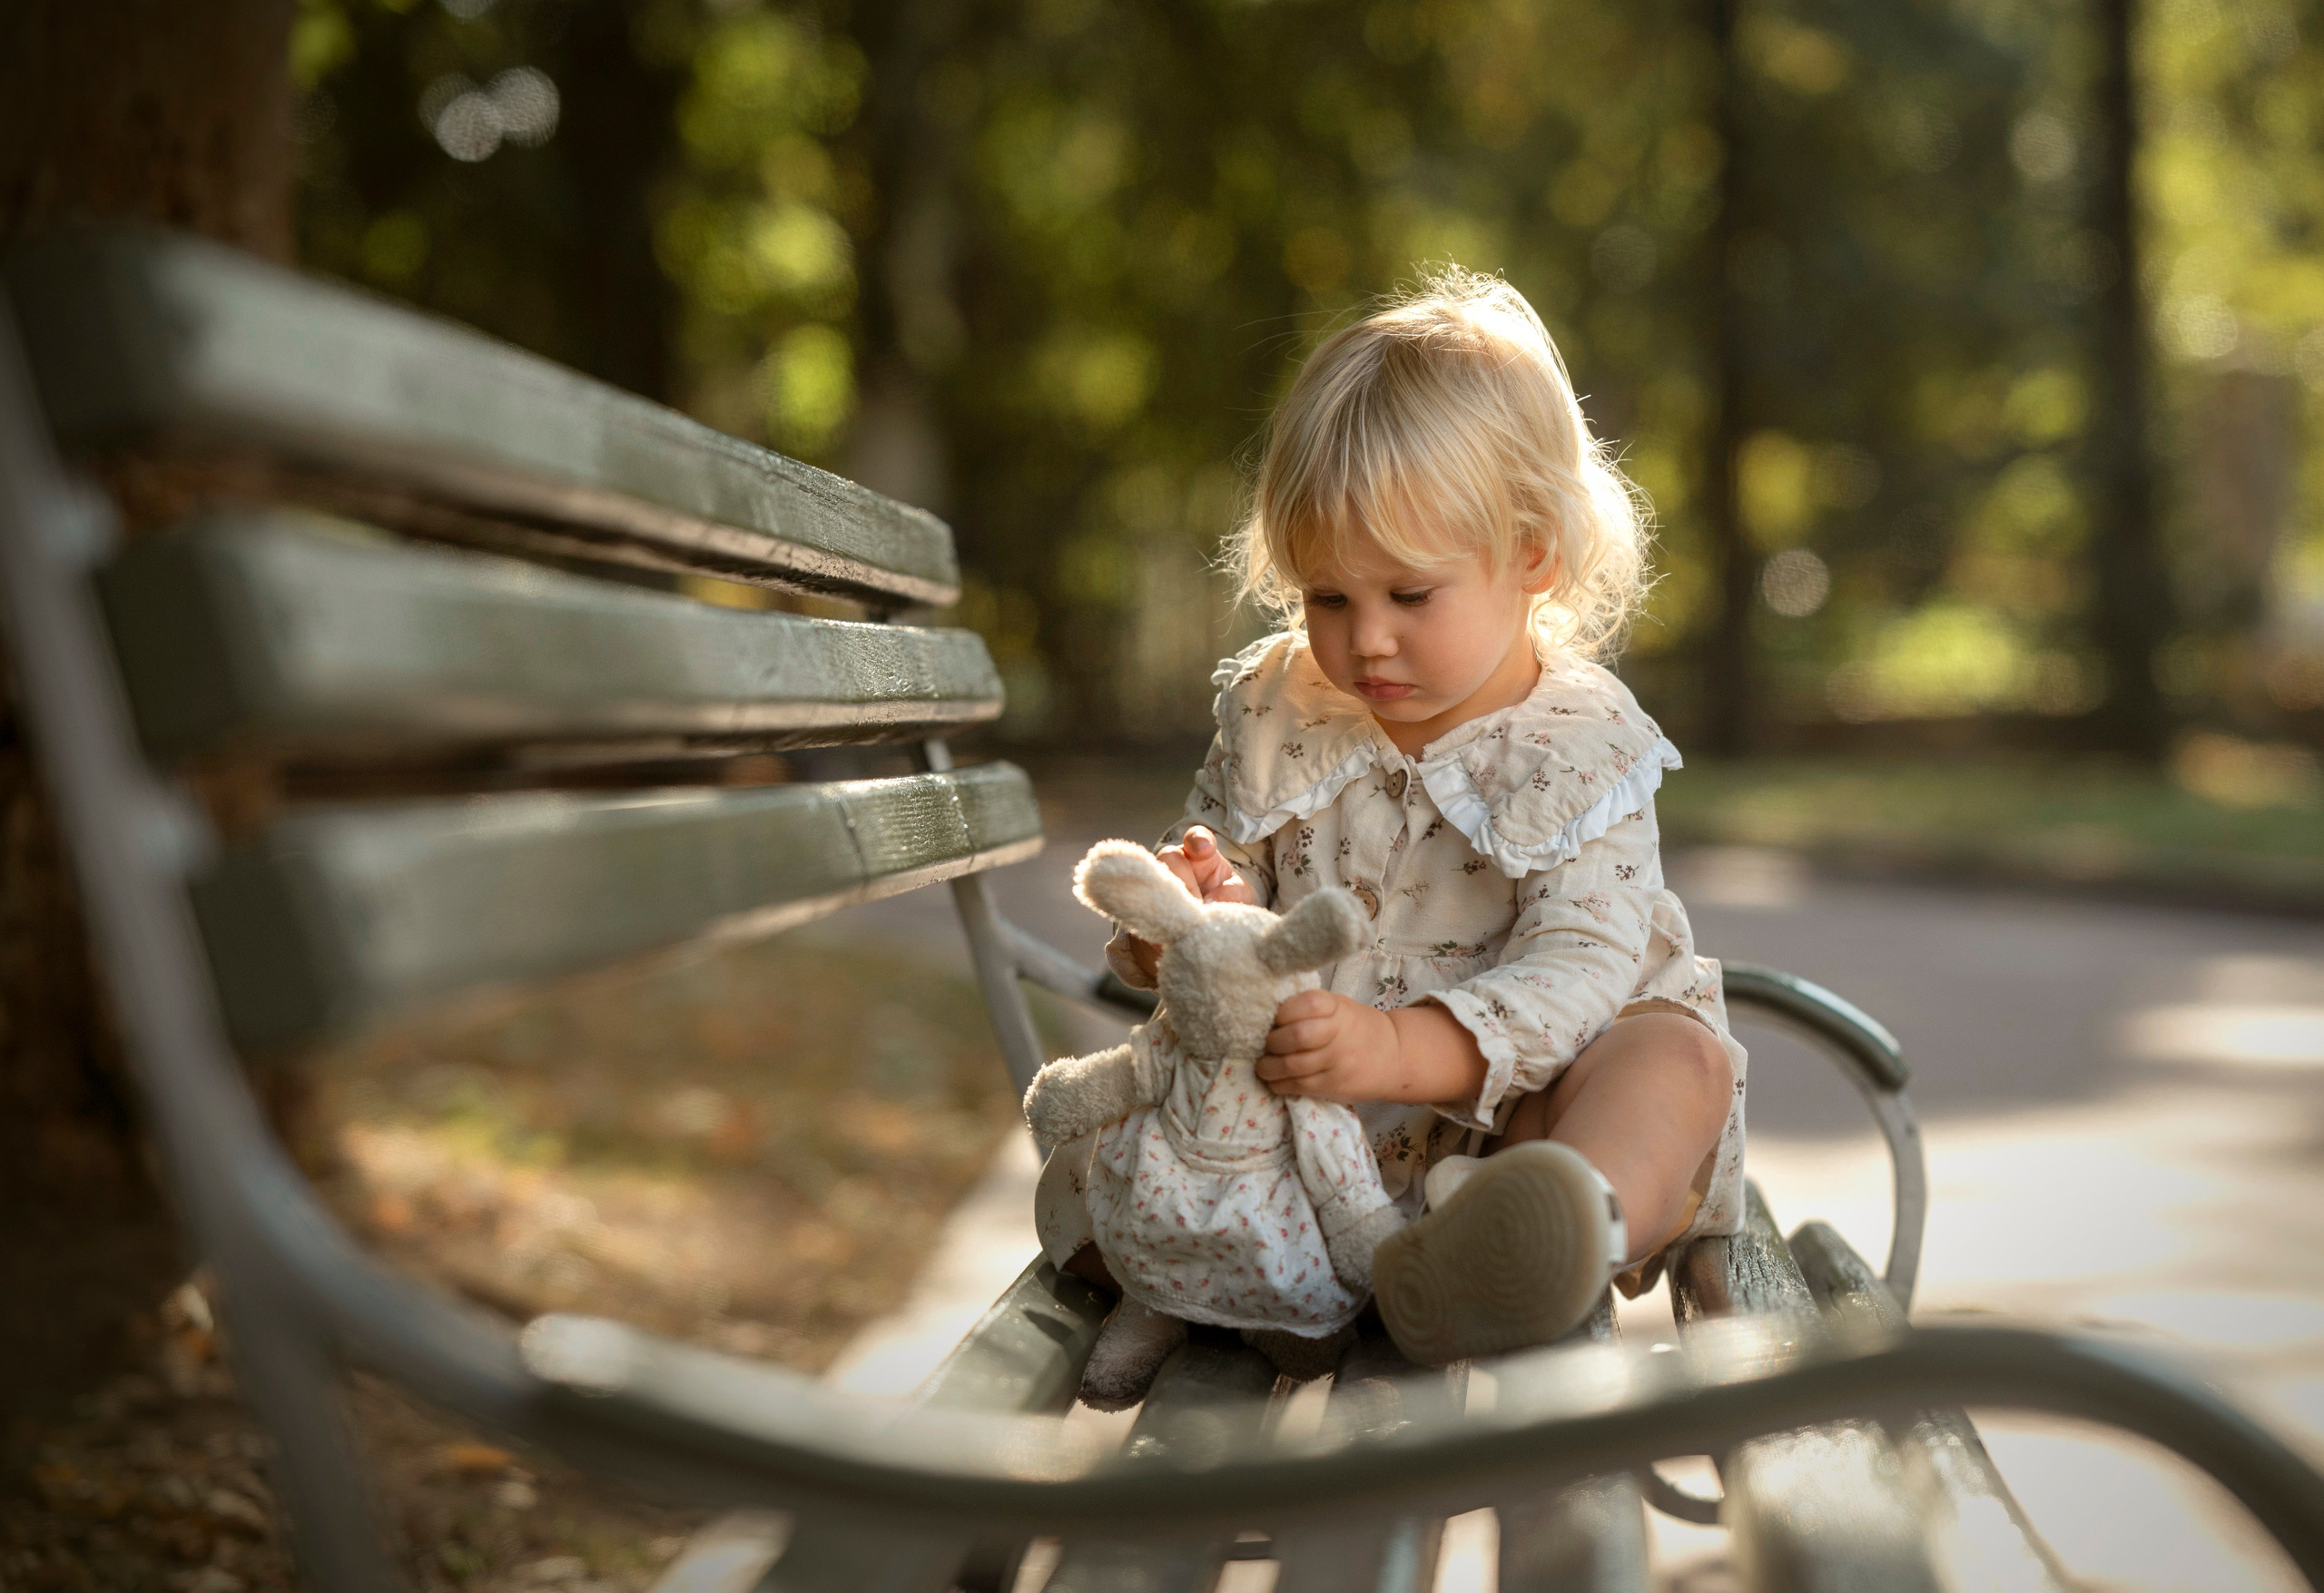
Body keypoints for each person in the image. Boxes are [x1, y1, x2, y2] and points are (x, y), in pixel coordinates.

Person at [1034, 266, 1747, 1366]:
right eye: (1328, 598)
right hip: (1316, 1124)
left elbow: (1580, 969)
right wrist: (1193, 915)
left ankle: (1537, 1248)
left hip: (1516, 1115)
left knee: (1674, 1064)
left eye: (1408, 596)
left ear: (1531, 556)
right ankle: (1299, 1268)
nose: (1364, 641)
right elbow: (1230, 897)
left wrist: (1404, 1046)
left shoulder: (1579, 744)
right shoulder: (1280, 708)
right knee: (1112, 1164)